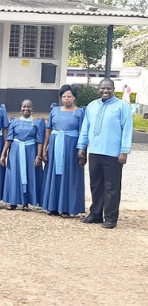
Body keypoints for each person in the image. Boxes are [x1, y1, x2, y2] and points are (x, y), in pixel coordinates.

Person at [77, 78, 133, 229]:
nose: (105, 91)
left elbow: (127, 129)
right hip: (95, 151)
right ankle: (95, 214)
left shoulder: (122, 107)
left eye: (108, 88)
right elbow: (85, 128)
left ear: (113, 89)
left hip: (113, 153)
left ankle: (110, 218)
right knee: (96, 185)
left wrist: (124, 151)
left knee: (112, 187)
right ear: (99, 89)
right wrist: (81, 147)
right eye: (102, 88)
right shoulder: (92, 106)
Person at [41, 86, 86, 217]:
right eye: (64, 96)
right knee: (54, 174)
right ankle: (53, 206)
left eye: (69, 96)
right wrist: (45, 148)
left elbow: (83, 132)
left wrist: (82, 150)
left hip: (71, 147)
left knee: (69, 175)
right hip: (55, 145)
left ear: (74, 98)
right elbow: (48, 129)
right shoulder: (54, 110)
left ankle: (67, 207)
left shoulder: (79, 112)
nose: (66, 99)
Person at [0, 99, 44, 210]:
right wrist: (3, 154)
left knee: (29, 175)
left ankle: (26, 202)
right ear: (20, 108)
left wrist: (38, 156)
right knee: (14, 175)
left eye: (29, 107)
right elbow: (9, 139)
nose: (26, 109)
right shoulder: (14, 122)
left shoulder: (37, 123)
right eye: (24, 106)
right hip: (16, 151)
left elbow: (39, 141)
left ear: (32, 109)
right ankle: (13, 201)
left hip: (30, 151)